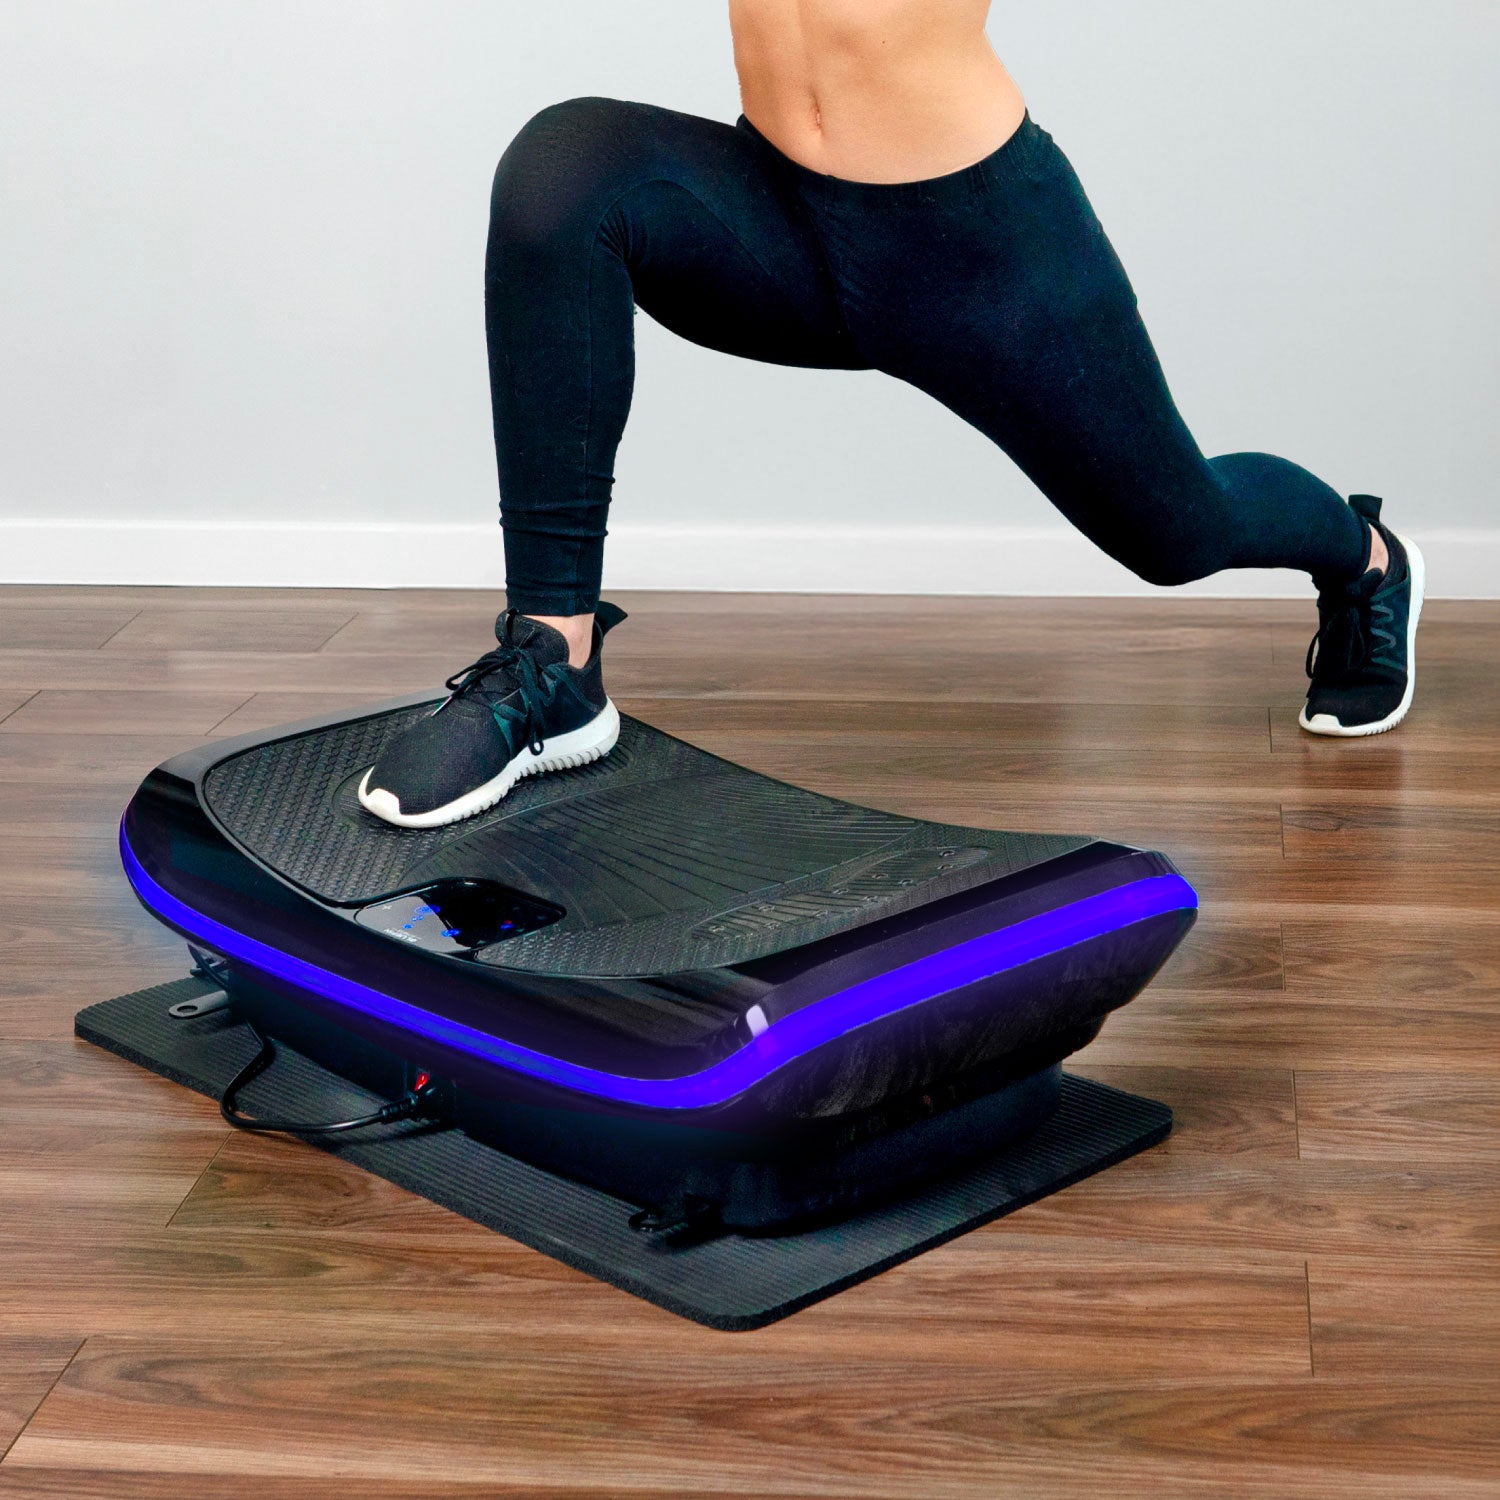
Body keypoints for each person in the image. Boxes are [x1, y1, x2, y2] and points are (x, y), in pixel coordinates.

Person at [359, 0, 1425, 830]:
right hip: (778, 219)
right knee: (566, 173)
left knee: (1179, 531)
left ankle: (1364, 556)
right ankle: (558, 663)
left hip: (979, 256)